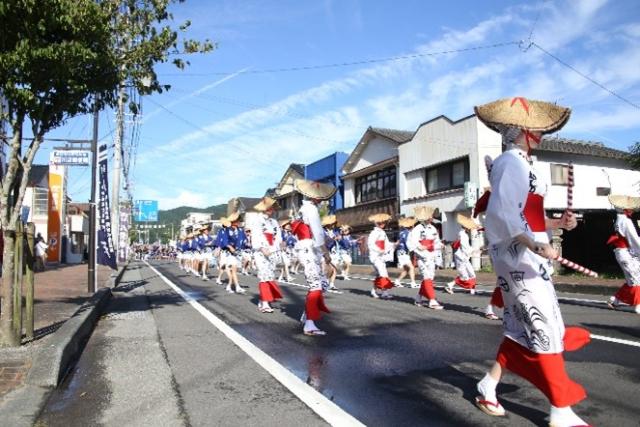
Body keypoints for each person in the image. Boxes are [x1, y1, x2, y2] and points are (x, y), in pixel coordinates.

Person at [474, 96, 590, 427]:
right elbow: (503, 214)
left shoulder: (520, 163)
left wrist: (557, 225)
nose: (540, 135)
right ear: (523, 131)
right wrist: (536, 246)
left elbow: (527, 216)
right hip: (519, 256)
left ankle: (488, 385)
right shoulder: (512, 162)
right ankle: (561, 408)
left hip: (524, 253)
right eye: (535, 130)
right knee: (545, 329)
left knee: (518, 328)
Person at [291, 178, 336, 336]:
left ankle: (307, 314)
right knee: (316, 284)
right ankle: (309, 324)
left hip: (308, 248)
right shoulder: (311, 209)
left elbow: (317, 232)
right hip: (309, 248)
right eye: (322, 198)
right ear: (317, 198)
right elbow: (317, 234)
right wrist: (326, 253)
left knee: (322, 283)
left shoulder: (305, 208)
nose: (323, 201)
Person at [606, 194, 640, 314]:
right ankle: (638, 305)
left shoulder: (619, 219)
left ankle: (616, 300)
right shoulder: (626, 222)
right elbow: (634, 240)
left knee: (631, 278)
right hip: (626, 253)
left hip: (622, 252)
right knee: (636, 279)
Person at [251, 197, 284, 313]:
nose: (271, 210)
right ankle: (265, 302)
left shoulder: (274, 222)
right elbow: (255, 237)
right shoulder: (257, 220)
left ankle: (263, 299)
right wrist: (261, 247)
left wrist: (279, 245)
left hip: (272, 251)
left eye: (272, 207)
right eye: (269, 207)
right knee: (264, 275)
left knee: (270, 275)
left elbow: (278, 237)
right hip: (261, 251)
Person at [408, 206, 444, 309]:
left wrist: (439, 245)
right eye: (431, 215)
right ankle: (432, 300)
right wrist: (420, 247)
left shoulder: (433, 228)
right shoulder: (417, 229)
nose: (432, 217)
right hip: (422, 256)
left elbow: (436, 241)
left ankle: (418, 298)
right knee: (427, 277)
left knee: (429, 278)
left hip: (431, 255)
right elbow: (412, 242)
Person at [445, 213, 480, 295]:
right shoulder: (463, 234)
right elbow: (465, 248)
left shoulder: (464, 234)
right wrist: (473, 250)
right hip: (461, 257)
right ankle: (450, 285)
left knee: (472, 273)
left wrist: (473, 250)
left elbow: (466, 247)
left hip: (465, 257)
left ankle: (472, 289)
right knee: (464, 277)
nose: (470, 229)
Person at [367, 213, 396, 299]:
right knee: (383, 273)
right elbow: (371, 244)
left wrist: (393, 245)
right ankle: (385, 292)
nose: (383, 224)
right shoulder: (374, 232)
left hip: (381, 256)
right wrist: (379, 250)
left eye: (384, 222)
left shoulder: (383, 232)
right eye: (380, 223)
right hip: (375, 256)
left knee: (379, 274)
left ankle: (373, 291)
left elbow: (386, 244)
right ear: (376, 223)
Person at [395, 217, 418, 288]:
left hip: (400, 252)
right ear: (411, 226)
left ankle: (397, 281)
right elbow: (408, 243)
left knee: (406, 269)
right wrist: (415, 249)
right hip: (403, 252)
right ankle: (413, 283)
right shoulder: (408, 233)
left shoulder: (401, 232)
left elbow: (399, 242)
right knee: (411, 267)